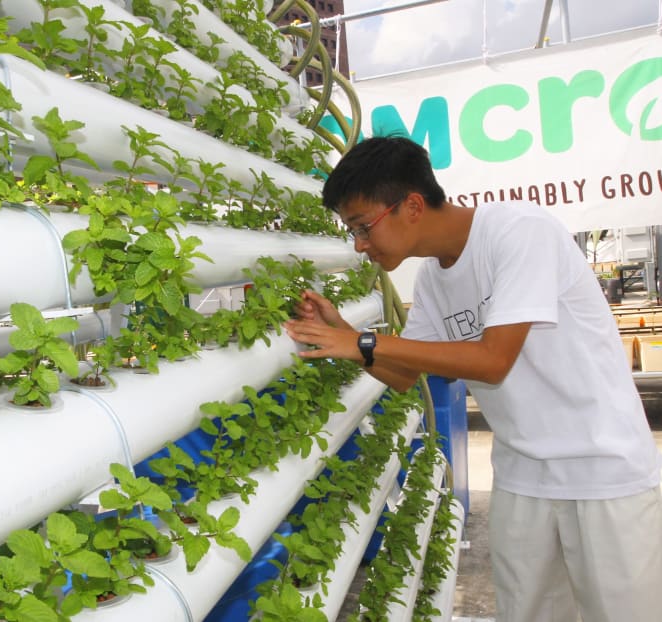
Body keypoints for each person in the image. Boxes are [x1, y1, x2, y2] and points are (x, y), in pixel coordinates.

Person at [283, 135, 662, 622]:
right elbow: (404, 375)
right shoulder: (434, 279)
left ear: (412, 206)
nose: (360, 245)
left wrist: (365, 342)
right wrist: (348, 336)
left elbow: (492, 360)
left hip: (605, 472)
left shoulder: (518, 232)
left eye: (363, 227)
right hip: (525, 478)